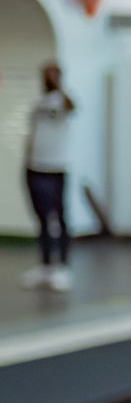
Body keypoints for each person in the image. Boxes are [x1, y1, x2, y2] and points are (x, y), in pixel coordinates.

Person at [21, 62, 75, 292]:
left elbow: (72, 107)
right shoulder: (39, 103)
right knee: (41, 218)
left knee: (58, 217)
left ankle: (62, 266)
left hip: (55, 169)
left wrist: (59, 85)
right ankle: (45, 265)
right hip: (35, 167)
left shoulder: (61, 101)